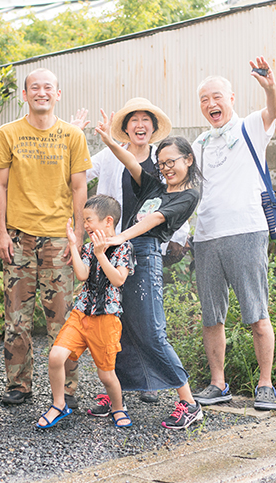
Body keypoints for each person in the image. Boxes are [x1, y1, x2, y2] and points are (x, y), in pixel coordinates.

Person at [94, 110, 204, 429]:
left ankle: (189, 402)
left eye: (173, 162)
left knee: (153, 332)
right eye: (163, 163)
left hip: (145, 255)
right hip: (126, 254)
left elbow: (152, 220)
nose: (167, 168)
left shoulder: (187, 195)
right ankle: (120, 393)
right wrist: (108, 140)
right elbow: (131, 163)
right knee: (124, 328)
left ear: (188, 161)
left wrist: (118, 236)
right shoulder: (156, 186)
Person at [0, 68, 92, 406]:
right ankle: (18, 385)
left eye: (48, 87)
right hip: (18, 238)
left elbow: (80, 187)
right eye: (34, 87)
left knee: (62, 320)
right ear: (25, 95)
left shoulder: (72, 136)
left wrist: (77, 236)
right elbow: (0, 185)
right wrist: (1, 232)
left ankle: (66, 389)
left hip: (58, 240)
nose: (41, 92)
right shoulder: (8, 133)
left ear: (58, 94)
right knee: (16, 317)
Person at [190, 57, 276, 411]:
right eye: (203, 99)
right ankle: (218, 383)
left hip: (247, 230)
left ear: (231, 98)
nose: (211, 104)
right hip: (207, 235)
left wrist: (270, 87)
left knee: (257, 313)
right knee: (212, 316)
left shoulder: (250, 128)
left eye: (217, 97)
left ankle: (265, 384)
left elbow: (274, 111)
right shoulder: (198, 144)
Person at [37, 195, 135, 429]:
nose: (86, 225)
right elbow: (82, 274)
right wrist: (73, 243)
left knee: (106, 375)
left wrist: (102, 254)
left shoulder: (124, 247)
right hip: (81, 314)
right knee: (55, 356)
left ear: (108, 221)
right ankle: (59, 404)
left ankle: (118, 407)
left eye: (89, 220)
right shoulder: (90, 247)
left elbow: (118, 280)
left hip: (106, 318)